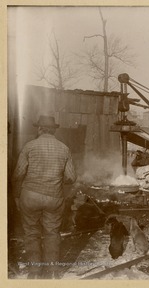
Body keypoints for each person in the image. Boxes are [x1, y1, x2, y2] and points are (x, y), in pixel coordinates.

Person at [11, 115, 77, 279]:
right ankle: (53, 271)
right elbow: (71, 178)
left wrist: (17, 196)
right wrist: (56, 179)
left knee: (31, 233)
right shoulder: (64, 148)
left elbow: (18, 174)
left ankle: (34, 272)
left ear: (39, 129)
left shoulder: (29, 146)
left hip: (30, 196)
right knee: (52, 233)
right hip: (53, 197)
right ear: (54, 130)